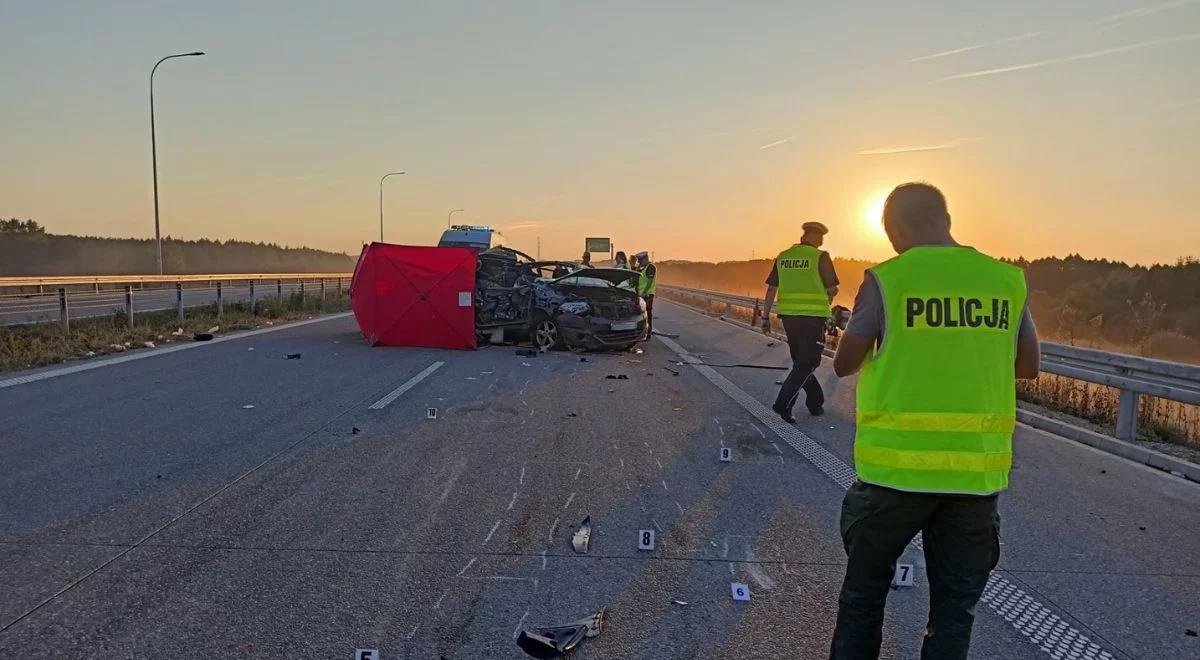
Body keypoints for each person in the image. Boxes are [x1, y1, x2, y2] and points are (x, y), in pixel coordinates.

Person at [828, 183, 1040, 660]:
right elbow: (1027, 365)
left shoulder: (888, 279)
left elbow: (845, 362)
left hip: (892, 478)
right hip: (973, 481)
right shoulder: (1004, 280)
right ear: (944, 217)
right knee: (953, 613)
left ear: (897, 228)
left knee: (864, 596)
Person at [761, 221, 839, 421]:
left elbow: (771, 289)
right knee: (809, 362)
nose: (822, 241)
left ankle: (815, 402)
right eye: (820, 237)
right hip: (813, 318)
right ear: (814, 237)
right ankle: (783, 404)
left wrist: (765, 316)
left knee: (801, 363)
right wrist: (829, 296)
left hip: (789, 317)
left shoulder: (784, 256)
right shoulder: (820, 257)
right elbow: (832, 289)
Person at [634, 251, 657, 336]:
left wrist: (643, 293)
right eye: (638, 261)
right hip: (640, 294)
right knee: (639, 313)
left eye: (641, 260)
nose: (639, 262)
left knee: (647, 312)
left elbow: (649, 283)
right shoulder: (641, 268)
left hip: (647, 294)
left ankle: (648, 332)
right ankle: (641, 330)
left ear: (646, 258)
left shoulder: (650, 267)